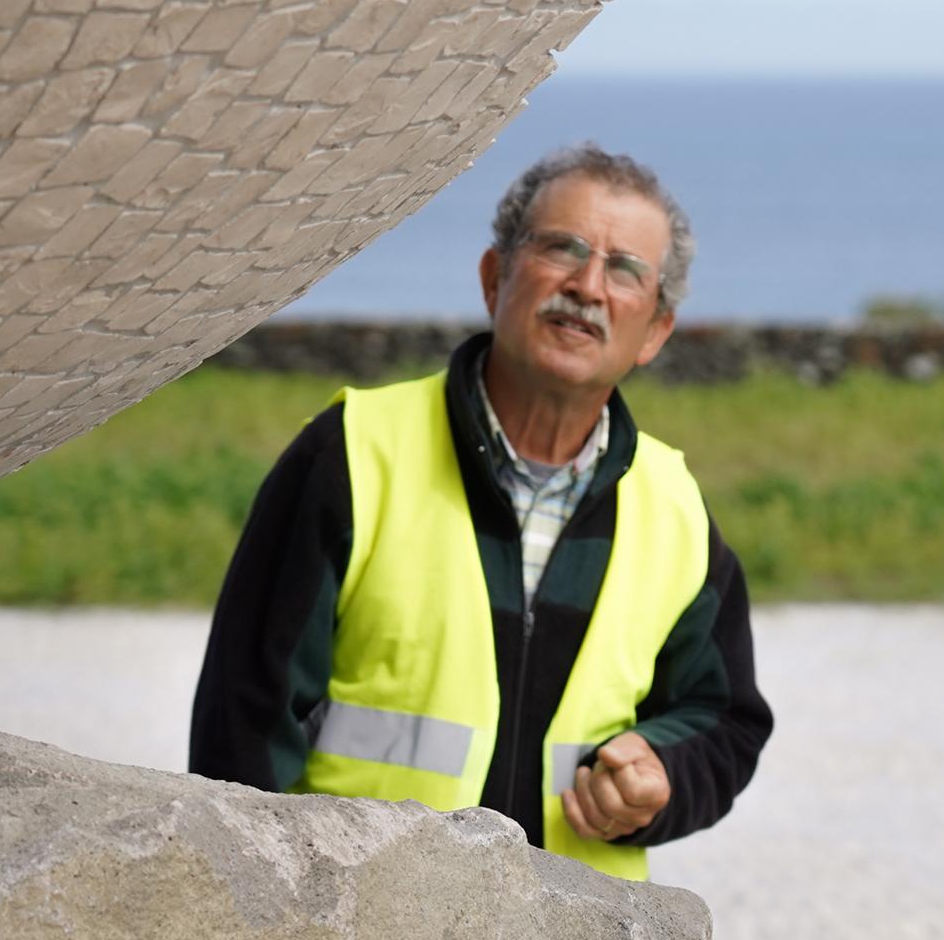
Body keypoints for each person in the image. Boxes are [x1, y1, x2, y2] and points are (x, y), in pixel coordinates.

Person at [188, 144, 772, 879]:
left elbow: (726, 721)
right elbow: (241, 731)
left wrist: (664, 774)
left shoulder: (674, 504)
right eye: (562, 247)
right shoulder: (351, 454)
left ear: (655, 329)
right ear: (495, 277)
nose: (588, 285)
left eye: (625, 268)